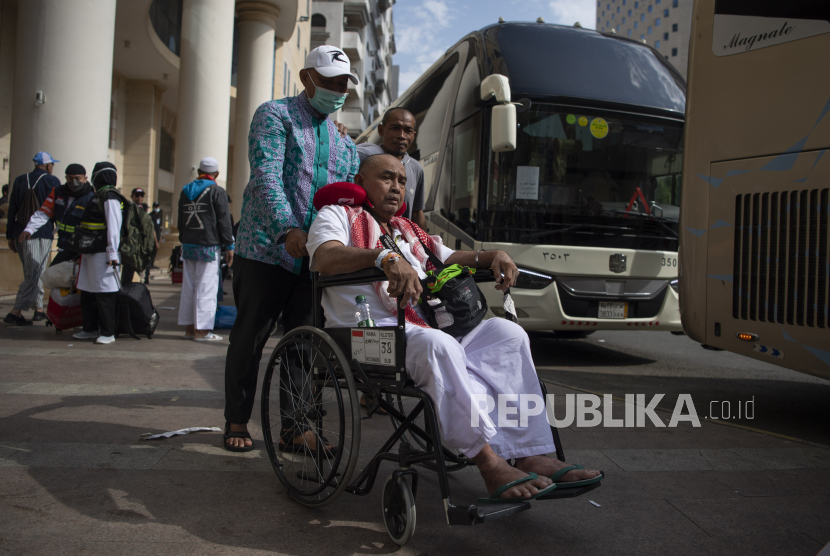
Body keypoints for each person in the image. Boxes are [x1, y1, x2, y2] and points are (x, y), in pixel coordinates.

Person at [307, 153, 602, 501]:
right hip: (364, 335)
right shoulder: (338, 215)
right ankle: (489, 461)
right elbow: (324, 257)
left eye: (402, 181)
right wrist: (384, 258)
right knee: (439, 346)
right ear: (361, 182)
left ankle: (529, 452)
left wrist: (493, 256)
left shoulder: (406, 229)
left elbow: (448, 257)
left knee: (509, 335)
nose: (396, 187)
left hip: (424, 326)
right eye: (387, 178)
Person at [223, 45, 360, 451]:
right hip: (266, 250)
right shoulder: (274, 115)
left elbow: (347, 194)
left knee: (304, 344)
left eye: (342, 85)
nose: (336, 91)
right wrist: (287, 229)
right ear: (307, 78)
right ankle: (236, 420)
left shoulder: (343, 142)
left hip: (314, 259)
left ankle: (295, 428)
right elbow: (265, 175)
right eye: (330, 82)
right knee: (250, 338)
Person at [177, 157, 234, 341]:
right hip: (208, 246)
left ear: (198, 172)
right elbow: (224, 221)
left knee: (189, 288)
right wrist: (229, 245)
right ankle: (201, 332)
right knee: (206, 288)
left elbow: (180, 221)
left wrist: (183, 240)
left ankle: (189, 329)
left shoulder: (185, 191)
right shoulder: (217, 191)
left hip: (188, 246)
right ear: (216, 174)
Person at [4, 152, 62, 326]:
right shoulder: (52, 181)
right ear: (48, 166)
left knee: (31, 271)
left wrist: (10, 235)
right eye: (52, 164)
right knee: (35, 273)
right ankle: (16, 311)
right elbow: (56, 208)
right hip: (41, 233)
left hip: (19, 231)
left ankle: (38, 309)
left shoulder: (20, 180)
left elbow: (12, 209)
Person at [73, 162, 122, 345]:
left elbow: (114, 227)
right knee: (88, 291)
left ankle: (108, 332)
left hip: (103, 253)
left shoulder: (110, 196)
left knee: (105, 293)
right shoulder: (98, 195)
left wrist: (112, 253)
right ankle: (89, 328)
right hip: (90, 252)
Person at [357, 108, 426, 228]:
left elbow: (416, 212)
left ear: (414, 135)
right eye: (395, 128)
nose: (401, 136)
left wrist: (425, 244)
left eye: (408, 131)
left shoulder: (416, 168)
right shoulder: (362, 157)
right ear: (381, 130)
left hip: (400, 242)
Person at [17, 163, 95, 267]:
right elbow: (44, 212)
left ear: (85, 179)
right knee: (53, 275)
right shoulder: (58, 192)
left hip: (81, 246)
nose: (74, 182)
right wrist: (30, 228)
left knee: (76, 279)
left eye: (78, 178)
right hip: (64, 243)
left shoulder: (91, 197)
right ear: (65, 178)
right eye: (70, 178)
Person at [120, 188, 146, 285]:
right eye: (137, 195)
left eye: (141, 195)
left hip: (138, 244)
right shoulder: (128, 208)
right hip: (130, 244)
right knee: (128, 269)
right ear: (132, 196)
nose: (139, 197)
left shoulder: (141, 208)